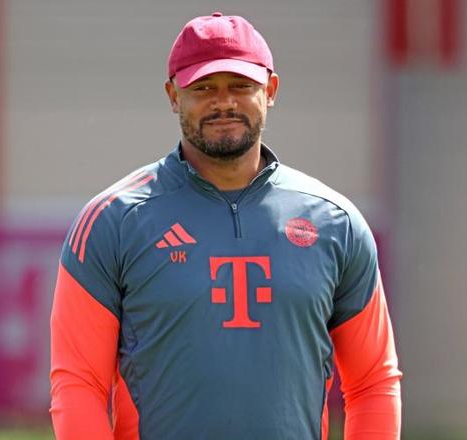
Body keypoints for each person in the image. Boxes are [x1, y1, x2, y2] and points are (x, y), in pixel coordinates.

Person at [50, 12, 402, 440]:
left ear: (270, 90)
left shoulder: (335, 223)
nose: (223, 102)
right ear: (173, 96)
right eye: (203, 88)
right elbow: (79, 385)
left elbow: (373, 383)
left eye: (240, 85)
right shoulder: (113, 220)